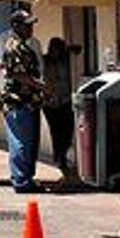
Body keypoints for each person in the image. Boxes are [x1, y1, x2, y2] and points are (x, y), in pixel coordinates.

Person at [0, 9, 48, 194]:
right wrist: (41, 86)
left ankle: (27, 178)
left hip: (30, 100)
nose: (30, 28)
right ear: (16, 26)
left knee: (30, 143)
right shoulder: (13, 46)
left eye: (31, 25)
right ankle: (21, 181)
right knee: (21, 143)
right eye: (26, 25)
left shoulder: (29, 44)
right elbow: (18, 74)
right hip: (18, 101)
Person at [42, 37, 78, 177]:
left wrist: (71, 49)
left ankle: (62, 153)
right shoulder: (43, 60)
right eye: (54, 48)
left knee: (68, 129)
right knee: (56, 131)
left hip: (65, 100)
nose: (56, 51)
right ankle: (59, 157)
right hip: (50, 102)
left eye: (59, 48)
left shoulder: (67, 60)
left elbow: (75, 49)